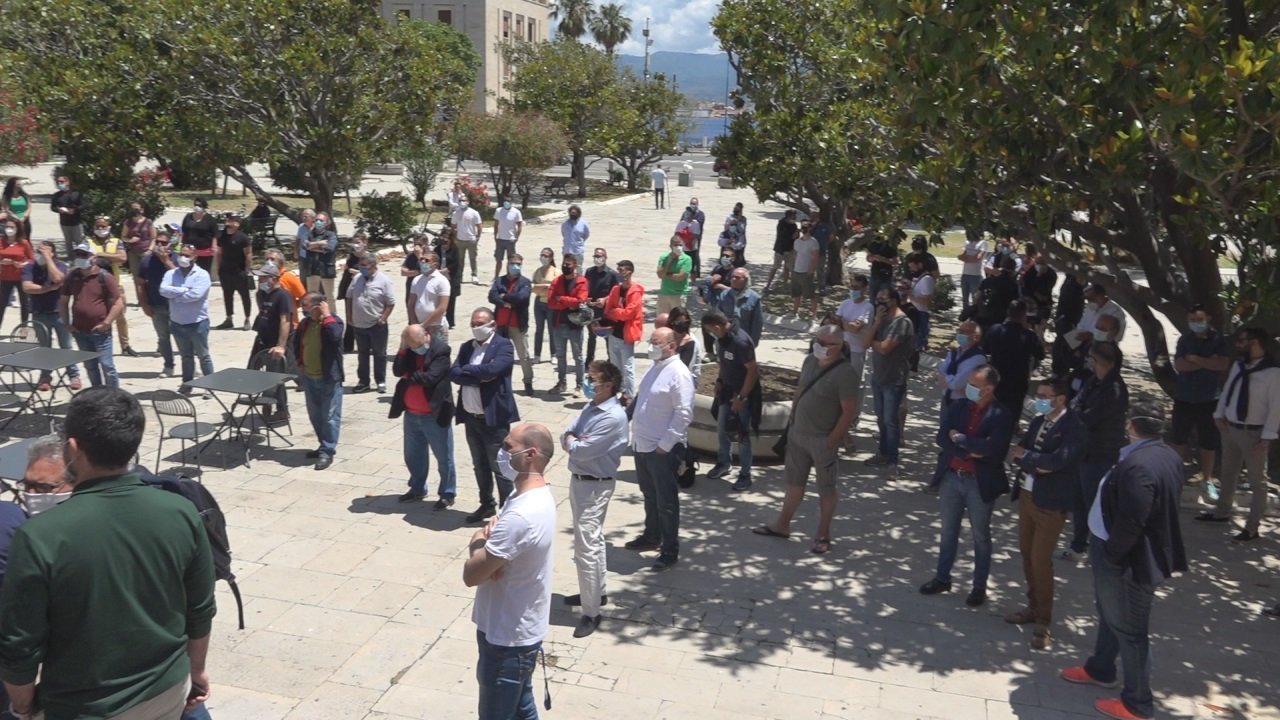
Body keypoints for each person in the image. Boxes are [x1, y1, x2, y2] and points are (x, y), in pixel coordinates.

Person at [0, 388, 217, 720]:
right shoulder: (180, 511)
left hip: (85, 706)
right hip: (167, 692)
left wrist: (22, 704)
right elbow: (200, 608)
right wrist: (197, 672)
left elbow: (20, 643)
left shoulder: (39, 535)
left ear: (73, 449)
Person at [1060, 402, 1187, 720]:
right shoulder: (1167, 454)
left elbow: (1133, 520)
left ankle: (1137, 703)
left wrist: (1113, 557)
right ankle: (1101, 668)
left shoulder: (1139, 466)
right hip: (1130, 555)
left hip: (1128, 561)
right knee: (1110, 614)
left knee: (1131, 631)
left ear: (1131, 425)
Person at [462, 422, 556, 720]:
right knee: (521, 707)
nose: (501, 453)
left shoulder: (520, 516)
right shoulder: (531, 496)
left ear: (530, 454)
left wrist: (478, 540)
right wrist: (491, 557)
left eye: (508, 447)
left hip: (507, 640)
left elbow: (471, 574)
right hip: (519, 631)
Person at [753, 325, 860, 554]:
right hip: (797, 435)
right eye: (818, 341)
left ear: (839, 346)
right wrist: (792, 420)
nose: (820, 346)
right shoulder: (810, 361)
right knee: (793, 483)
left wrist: (832, 440)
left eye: (826, 343)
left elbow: (849, 411)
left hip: (823, 440)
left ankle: (823, 534)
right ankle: (782, 524)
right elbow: (800, 389)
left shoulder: (845, 374)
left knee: (826, 489)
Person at [920, 365, 1014, 607]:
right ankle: (942, 578)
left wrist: (961, 439)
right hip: (953, 477)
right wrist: (969, 449)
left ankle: (979, 587)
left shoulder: (1001, 415)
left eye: (974, 385)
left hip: (978, 483)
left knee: (981, 536)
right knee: (947, 532)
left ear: (989, 389)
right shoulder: (959, 406)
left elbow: (993, 450)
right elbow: (942, 437)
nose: (968, 388)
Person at [1007, 377, 1087, 650]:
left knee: (1041, 560)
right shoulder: (1038, 421)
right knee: (1026, 554)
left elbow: (1055, 462)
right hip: (1028, 495)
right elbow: (1021, 450)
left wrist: (1030, 458)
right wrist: (1032, 460)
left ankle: (1044, 620)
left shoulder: (1074, 427)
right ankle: (1032, 606)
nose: (1039, 398)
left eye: (1044, 395)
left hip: (1051, 504)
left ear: (1061, 399)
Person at [562, 361, 629, 638]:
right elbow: (568, 432)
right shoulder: (591, 407)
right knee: (593, 541)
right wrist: (572, 439)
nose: (588, 383)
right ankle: (596, 593)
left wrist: (573, 441)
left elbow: (580, 449)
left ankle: (591, 613)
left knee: (586, 547)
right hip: (579, 483)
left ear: (609, 385)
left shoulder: (612, 417)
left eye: (593, 379)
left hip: (595, 487)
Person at [1198, 327, 1280, 540]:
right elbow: (1227, 391)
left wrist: (1267, 438)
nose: (1238, 345)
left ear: (1255, 343)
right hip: (1230, 428)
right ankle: (1222, 512)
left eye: (1243, 341)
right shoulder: (1239, 365)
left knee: (1257, 482)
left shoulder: (1273, 373)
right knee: (1228, 473)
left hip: (1254, 434)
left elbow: (1276, 408)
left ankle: (1252, 526)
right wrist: (1219, 414)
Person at [626, 328, 695, 571]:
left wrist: (665, 445)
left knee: (666, 501)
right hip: (641, 444)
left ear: (671, 346)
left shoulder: (679, 373)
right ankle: (651, 535)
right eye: (651, 341)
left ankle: (669, 550)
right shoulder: (655, 368)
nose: (651, 346)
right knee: (649, 494)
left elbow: (684, 413)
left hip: (661, 450)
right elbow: (641, 399)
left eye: (656, 343)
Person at [452, 308, 521, 524]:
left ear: (492, 324)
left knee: (500, 466)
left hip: (493, 418)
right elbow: (454, 373)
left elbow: (495, 371)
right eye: (473, 323)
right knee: (479, 464)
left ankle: (508, 509)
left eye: (480, 323)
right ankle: (486, 503)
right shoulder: (466, 347)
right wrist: (478, 375)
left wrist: (469, 372)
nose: (476, 327)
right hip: (471, 417)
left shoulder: (504, 346)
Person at [1064, 341, 1130, 561]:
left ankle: (1103, 549)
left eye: (1093, 358)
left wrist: (1076, 414)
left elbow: (1088, 417)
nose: (1089, 362)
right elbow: (1075, 403)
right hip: (1083, 451)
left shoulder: (1114, 389)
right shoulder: (1094, 381)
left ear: (1104, 361)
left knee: (1097, 503)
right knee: (1079, 501)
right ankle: (1078, 544)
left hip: (1101, 453)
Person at [390, 324, 456, 509]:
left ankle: (447, 493)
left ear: (426, 335)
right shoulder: (409, 349)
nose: (415, 348)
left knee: (444, 457)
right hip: (411, 414)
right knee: (413, 456)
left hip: (434, 415)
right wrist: (403, 349)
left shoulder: (441, 350)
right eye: (411, 345)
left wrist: (409, 376)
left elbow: (431, 378)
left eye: (417, 344)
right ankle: (417, 488)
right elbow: (397, 371)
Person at [1170, 306, 1230, 489]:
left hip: (1210, 398)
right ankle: (1174, 477)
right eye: (1192, 320)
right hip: (1184, 397)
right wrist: (1207, 362)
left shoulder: (1218, 339)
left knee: (1208, 442)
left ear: (1208, 318)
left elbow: (1222, 364)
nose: (1196, 323)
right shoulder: (1185, 339)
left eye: (1199, 319)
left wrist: (1195, 359)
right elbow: (1180, 365)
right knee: (1179, 439)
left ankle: (1207, 479)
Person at [702, 310, 758, 491]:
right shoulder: (722, 339)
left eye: (710, 330)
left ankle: (745, 474)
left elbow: (752, 371)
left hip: (743, 395)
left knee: (741, 435)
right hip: (726, 392)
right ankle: (724, 463)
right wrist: (719, 380)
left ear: (717, 327)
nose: (710, 334)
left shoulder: (741, 342)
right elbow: (724, 364)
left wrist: (741, 397)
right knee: (722, 429)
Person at [60, 242, 124, 388]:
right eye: (78, 254)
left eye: (84, 255)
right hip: (80, 330)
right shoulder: (72, 276)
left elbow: (118, 303)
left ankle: (114, 396)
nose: (80, 258)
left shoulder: (105, 277)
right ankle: (97, 394)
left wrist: (107, 322)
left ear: (93, 257)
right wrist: (66, 323)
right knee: (90, 365)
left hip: (100, 330)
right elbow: (63, 300)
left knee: (107, 365)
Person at [293, 292, 345, 470]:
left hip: (328, 378)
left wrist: (327, 315)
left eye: (306, 305)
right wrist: (300, 364)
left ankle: (327, 451)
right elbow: (297, 343)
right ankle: (323, 444)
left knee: (329, 416)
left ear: (317, 306)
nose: (302, 309)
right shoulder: (305, 323)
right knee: (315, 415)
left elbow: (336, 336)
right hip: (309, 377)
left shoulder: (333, 322)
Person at [866, 287, 914, 474]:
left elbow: (885, 348)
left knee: (890, 421)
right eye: (877, 298)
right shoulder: (881, 319)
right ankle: (882, 453)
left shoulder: (902, 323)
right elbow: (864, 343)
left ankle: (893, 460)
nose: (880, 302)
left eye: (883, 299)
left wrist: (873, 342)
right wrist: (877, 322)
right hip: (878, 377)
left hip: (894, 379)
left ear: (894, 300)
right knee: (880, 418)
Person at [22, 241, 81, 390]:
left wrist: (48, 260)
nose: (40, 254)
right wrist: (48, 289)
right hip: (39, 313)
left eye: (45, 251)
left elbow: (59, 279)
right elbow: (27, 287)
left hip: (58, 313)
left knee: (66, 346)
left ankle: (73, 374)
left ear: (53, 253)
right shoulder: (30, 266)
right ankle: (45, 376)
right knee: (44, 348)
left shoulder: (60, 265)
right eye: (39, 251)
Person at [160, 243, 215, 393]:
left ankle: (210, 386)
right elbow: (163, 290)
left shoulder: (202, 275)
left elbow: (195, 295)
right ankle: (187, 383)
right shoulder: (171, 274)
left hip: (197, 323)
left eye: (187, 255)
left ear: (194, 257)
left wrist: (175, 295)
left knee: (203, 355)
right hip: (177, 323)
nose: (183, 258)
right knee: (186, 356)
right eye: (181, 254)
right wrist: (184, 290)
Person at [250, 262, 295, 426]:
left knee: (276, 378)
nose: (259, 280)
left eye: (263, 277)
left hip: (276, 343)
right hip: (262, 340)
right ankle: (265, 404)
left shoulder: (283, 295)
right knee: (255, 373)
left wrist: (281, 346)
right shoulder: (263, 294)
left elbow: (285, 321)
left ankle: (282, 410)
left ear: (273, 278)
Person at [983, 300, 1045, 415]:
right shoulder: (1029, 336)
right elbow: (1041, 354)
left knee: (990, 412)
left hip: (996, 378)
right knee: (1011, 415)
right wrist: (1038, 332)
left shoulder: (995, 330)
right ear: (1024, 315)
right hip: (1017, 383)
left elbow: (986, 349)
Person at [345, 253, 395, 394]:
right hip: (359, 324)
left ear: (373, 265)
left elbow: (390, 303)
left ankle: (380, 381)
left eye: (364, 265)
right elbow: (349, 297)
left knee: (379, 354)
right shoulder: (357, 279)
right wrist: (349, 315)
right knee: (362, 354)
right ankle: (363, 381)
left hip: (376, 325)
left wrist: (383, 318)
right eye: (360, 265)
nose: (361, 268)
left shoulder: (384, 280)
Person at [89, 215, 137, 357]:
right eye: (98, 226)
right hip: (95, 284)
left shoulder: (116, 241)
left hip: (115, 284)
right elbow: (87, 258)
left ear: (109, 227)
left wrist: (100, 255)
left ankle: (125, 345)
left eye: (104, 226)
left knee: (120, 316)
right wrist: (110, 256)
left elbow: (122, 258)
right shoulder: (88, 241)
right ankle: (98, 345)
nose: (101, 229)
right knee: (98, 316)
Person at [489, 253, 535, 396]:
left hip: (517, 324)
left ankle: (528, 381)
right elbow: (492, 296)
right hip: (501, 323)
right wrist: (503, 302)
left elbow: (522, 297)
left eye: (518, 264)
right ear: (507, 264)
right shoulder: (500, 280)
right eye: (512, 263)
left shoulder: (525, 282)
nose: (515, 266)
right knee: (499, 355)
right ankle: (500, 381)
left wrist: (504, 296)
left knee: (524, 355)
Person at [602, 260, 644, 398]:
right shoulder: (616, 289)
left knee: (627, 368)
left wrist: (616, 312)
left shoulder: (635, 291)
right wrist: (618, 312)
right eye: (618, 270)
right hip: (614, 334)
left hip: (627, 336)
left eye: (621, 270)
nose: (618, 273)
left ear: (629, 273)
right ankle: (617, 393)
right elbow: (608, 310)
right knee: (615, 367)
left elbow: (629, 313)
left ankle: (630, 396)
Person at [547, 255, 588, 395]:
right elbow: (551, 302)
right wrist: (569, 303)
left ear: (575, 265)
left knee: (578, 356)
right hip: (559, 324)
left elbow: (580, 300)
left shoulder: (581, 282)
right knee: (560, 356)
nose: (566, 267)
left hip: (575, 325)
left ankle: (579, 385)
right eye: (564, 264)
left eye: (568, 265)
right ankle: (562, 383)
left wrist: (562, 299)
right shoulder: (557, 281)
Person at [214, 214, 253, 331]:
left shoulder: (243, 238)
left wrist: (247, 269)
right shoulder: (222, 236)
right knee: (227, 295)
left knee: (245, 296)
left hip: (239, 271)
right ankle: (229, 318)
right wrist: (218, 268)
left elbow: (248, 254)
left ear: (237, 224)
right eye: (229, 220)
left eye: (232, 221)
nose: (229, 223)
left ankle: (247, 319)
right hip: (225, 271)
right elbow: (219, 253)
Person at [938, 321, 987, 410]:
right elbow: (940, 374)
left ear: (976, 337)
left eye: (964, 332)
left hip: (962, 403)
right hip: (946, 398)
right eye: (959, 331)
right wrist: (949, 380)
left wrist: (945, 379)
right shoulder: (954, 353)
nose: (960, 334)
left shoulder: (977, 358)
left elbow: (957, 384)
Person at [583, 248, 618, 365]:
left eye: (600, 256)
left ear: (605, 258)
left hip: (605, 311)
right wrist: (586, 299)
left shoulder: (612, 274)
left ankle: (611, 360)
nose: (598, 259)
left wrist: (605, 300)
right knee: (591, 336)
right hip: (592, 309)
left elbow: (615, 293)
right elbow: (585, 288)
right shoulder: (589, 272)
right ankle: (589, 360)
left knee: (607, 336)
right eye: (596, 256)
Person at [408, 251, 452, 344]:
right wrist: (414, 323)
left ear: (435, 264)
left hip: (437, 326)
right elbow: (411, 304)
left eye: (426, 260)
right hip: (418, 325)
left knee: (439, 353)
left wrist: (424, 325)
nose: (423, 262)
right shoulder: (416, 279)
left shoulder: (442, 281)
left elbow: (442, 308)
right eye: (421, 259)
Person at [968, 256, 1019, 332]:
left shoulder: (988, 280)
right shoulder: (1013, 286)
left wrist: (974, 309)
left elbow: (976, 297)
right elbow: (1014, 305)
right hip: (999, 320)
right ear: (1013, 270)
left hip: (982, 316)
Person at [0, 216, 33, 333]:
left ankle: (24, 328)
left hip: (21, 277)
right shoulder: (1, 242)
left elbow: (31, 259)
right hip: (5, 277)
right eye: (7, 227)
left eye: (12, 227)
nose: (9, 229)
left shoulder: (24, 243)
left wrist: (22, 264)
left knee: (25, 303)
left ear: (17, 229)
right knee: (1, 304)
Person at [337, 233, 369, 353]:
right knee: (350, 317)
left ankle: (366, 343)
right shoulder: (351, 257)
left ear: (365, 242)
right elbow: (345, 271)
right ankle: (347, 344)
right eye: (354, 243)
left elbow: (371, 274)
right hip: (349, 289)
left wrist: (358, 272)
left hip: (363, 290)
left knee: (362, 316)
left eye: (359, 242)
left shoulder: (368, 257)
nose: (356, 245)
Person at [716, 267, 763, 346]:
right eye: (732, 277)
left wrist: (753, 342)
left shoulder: (754, 298)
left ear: (745, 280)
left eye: (737, 277)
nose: (733, 279)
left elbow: (757, 323)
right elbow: (717, 317)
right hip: (725, 338)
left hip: (743, 340)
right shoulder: (724, 295)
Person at [1070, 283, 1128, 348]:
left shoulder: (1116, 312)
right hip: (1081, 346)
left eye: (1091, 299)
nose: (1088, 302)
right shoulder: (1090, 308)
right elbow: (1081, 326)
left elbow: (1117, 337)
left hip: (1101, 349)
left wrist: (1091, 336)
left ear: (1100, 296)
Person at [302, 211, 338, 308]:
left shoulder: (331, 235)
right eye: (317, 220)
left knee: (329, 297)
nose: (318, 222)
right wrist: (321, 243)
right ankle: (312, 317)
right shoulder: (310, 234)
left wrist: (312, 246)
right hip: (312, 270)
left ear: (326, 223)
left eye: (321, 220)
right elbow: (305, 245)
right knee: (311, 297)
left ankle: (332, 318)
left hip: (326, 270)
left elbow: (330, 248)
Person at [121, 200, 156, 296]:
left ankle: (150, 297)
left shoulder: (148, 222)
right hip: (133, 252)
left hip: (146, 251)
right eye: (132, 209)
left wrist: (150, 250)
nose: (134, 211)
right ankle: (140, 298)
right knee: (136, 276)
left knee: (148, 275)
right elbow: (123, 237)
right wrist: (130, 240)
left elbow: (153, 238)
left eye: (136, 209)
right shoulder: (128, 222)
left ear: (142, 210)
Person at [264, 248, 307, 323]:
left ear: (280, 262)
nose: (269, 261)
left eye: (272, 259)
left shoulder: (289, 277)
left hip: (289, 323)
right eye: (267, 259)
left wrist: (292, 306)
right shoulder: (264, 278)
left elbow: (303, 297)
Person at [434, 229, 464, 329]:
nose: (444, 241)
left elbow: (456, 264)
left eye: (446, 239)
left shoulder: (455, 250)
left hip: (451, 277)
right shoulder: (437, 249)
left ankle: (449, 321)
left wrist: (444, 270)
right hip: (438, 277)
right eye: (443, 239)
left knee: (450, 300)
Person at [50, 174, 84, 258]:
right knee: (68, 242)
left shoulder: (76, 193)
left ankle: (81, 257)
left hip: (76, 222)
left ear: (67, 182)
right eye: (58, 182)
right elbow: (53, 207)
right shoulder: (56, 195)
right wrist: (59, 210)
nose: (60, 183)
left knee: (79, 241)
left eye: (62, 182)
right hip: (64, 222)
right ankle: (71, 258)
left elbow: (83, 205)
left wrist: (74, 210)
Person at [180, 198, 219, 273]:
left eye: (199, 205)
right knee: (187, 270)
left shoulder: (210, 219)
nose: (196, 207)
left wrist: (214, 246)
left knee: (203, 271)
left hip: (204, 252)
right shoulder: (188, 217)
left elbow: (215, 234)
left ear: (204, 207)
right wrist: (181, 245)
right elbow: (184, 232)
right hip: (189, 251)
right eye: (195, 205)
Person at [531, 248, 556, 363]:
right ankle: (537, 354)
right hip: (539, 302)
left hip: (551, 303)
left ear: (551, 258)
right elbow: (533, 286)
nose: (544, 258)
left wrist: (545, 286)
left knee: (552, 330)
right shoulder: (537, 271)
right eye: (542, 255)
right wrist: (544, 286)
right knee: (539, 329)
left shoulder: (556, 271)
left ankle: (554, 354)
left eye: (546, 256)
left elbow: (555, 287)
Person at [790, 223, 821, 318]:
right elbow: (795, 255)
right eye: (803, 228)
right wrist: (792, 267)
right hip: (796, 270)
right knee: (796, 294)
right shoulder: (797, 241)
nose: (803, 230)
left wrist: (811, 270)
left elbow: (815, 258)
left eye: (805, 228)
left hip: (806, 271)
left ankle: (814, 315)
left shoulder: (813, 242)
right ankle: (795, 312)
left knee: (811, 295)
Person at [655, 237, 692, 315]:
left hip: (679, 295)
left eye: (680, 245)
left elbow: (680, 277)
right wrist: (669, 261)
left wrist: (666, 274)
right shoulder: (664, 257)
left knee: (678, 321)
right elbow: (660, 275)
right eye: (675, 245)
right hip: (664, 293)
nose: (678, 247)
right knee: (662, 319)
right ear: (671, 246)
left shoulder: (687, 259)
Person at [765, 209, 797, 293]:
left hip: (790, 249)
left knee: (787, 268)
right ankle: (768, 284)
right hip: (780, 249)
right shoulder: (781, 224)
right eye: (793, 216)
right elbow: (783, 236)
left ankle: (785, 286)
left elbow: (796, 238)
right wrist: (793, 236)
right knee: (775, 267)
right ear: (788, 216)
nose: (794, 218)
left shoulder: (794, 226)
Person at [492, 195, 524, 281]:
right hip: (500, 239)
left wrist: (517, 237)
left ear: (511, 202)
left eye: (509, 201)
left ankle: (509, 276)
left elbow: (519, 225)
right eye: (505, 201)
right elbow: (496, 224)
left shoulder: (516, 212)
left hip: (510, 239)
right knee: (499, 259)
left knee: (511, 260)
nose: (507, 202)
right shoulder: (498, 211)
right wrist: (495, 236)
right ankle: (496, 277)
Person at [906, 256, 935, 350]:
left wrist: (911, 297)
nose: (911, 270)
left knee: (918, 341)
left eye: (912, 267)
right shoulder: (916, 277)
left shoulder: (926, 279)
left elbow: (926, 300)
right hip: (913, 311)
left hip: (921, 313)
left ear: (920, 265)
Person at [957, 231, 989, 312]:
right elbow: (960, 256)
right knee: (965, 299)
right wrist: (968, 258)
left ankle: (975, 317)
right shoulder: (967, 243)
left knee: (975, 299)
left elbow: (978, 258)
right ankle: (965, 316)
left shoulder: (983, 243)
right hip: (965, 274)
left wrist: (966, 258)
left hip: (975, 275)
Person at [453, 198, 483, 284]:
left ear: (468, 202)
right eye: (460, 201)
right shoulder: (456, 213)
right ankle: (459, 276)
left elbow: (479, 225)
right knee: (460, 259)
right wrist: (455, 236)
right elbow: (453, 224)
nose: (462, 202)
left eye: (464, 200)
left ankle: (474, 275)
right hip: (460, 240)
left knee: (473, 258)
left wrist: (477, 237)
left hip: (471, 240)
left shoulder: (474, 213)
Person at [864, 234, 898, 300]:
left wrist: (884, 259)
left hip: (886, 276)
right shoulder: (873, 244)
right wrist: (874, 258)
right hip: (875, 274)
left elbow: (896, 261)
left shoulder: (891, 246)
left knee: (884, 298)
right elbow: (868, 258)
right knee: (873, 297)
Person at [294, 208, 317, 284]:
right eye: (303, 216)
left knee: (313, 278)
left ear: (313, 218)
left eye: (306, 216)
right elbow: (298, 240)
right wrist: (296, 252)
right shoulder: (301, 227)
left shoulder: (317, 228)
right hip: (303, 256)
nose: (303, 218)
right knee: (303, 278)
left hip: (314, 256)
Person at [687, 198, 706, 279]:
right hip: (686, 237)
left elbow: (699, 223)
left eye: (694, 203)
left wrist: (691, 218)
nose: (692, 205)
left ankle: (696, 272)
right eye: (691, 203)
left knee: (695, 254)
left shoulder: (701, 214)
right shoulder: (686, 212)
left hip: (696, 237)